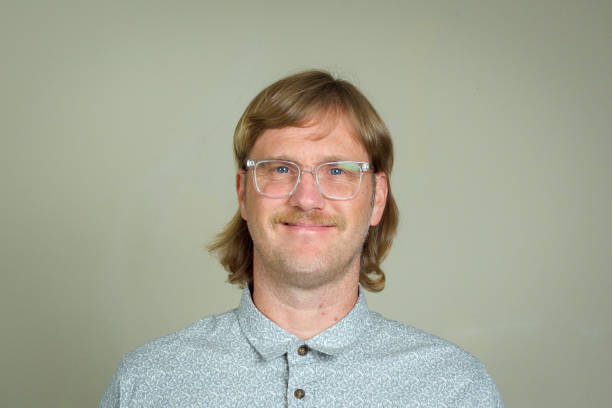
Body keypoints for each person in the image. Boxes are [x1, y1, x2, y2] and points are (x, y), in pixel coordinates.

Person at [99, 70, 504, 407]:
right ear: (243, 193)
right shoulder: (147, 383)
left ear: (377, 198)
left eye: (337, 171)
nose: (307, 198)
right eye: (279, 169)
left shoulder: (454, 389)